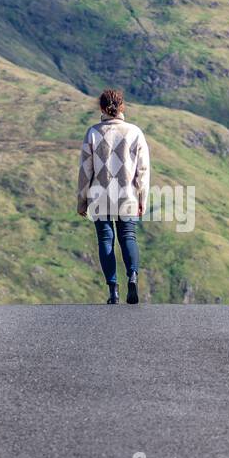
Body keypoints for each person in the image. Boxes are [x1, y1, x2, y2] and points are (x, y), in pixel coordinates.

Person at [76, 88, 150, 304]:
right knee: (128, 236)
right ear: (122, 107)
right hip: (127, 194)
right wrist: (142, 198)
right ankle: (133, 277)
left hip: (100, 195)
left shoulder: (93, 133)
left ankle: (113, 290)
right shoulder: (135, 132)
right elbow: (142, 171)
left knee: (105, 239)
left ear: (101, 108)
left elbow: (85, 171)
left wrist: (82, 201)